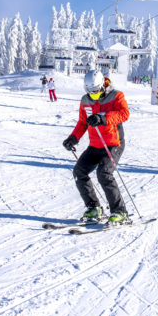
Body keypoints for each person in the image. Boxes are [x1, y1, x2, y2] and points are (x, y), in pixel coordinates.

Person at [62, 70, 131, 224]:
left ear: (102, 86)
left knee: (104, 174)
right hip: (95, 144)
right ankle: (94, 208)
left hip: (113, 144)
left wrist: (103, 118)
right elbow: (82, 122)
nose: (93, 94)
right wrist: (73, 138)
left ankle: (120, 212)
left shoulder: (116, 96)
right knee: (79, 171)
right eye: (90, 91)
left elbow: (124, 113)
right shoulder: (85, 100)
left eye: (96, 91)